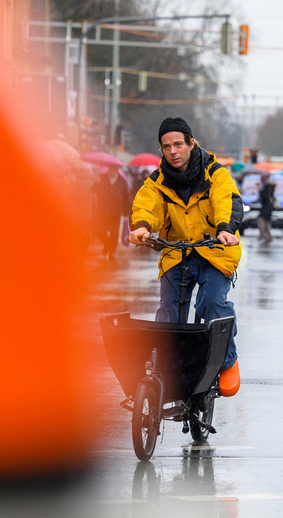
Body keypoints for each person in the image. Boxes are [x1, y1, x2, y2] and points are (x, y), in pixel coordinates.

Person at [126, 116, 243, 396]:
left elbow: (226, 200)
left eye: (178, 144)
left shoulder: (216, 173)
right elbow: (146, 206)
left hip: (215, 249)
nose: (173, 151)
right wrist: (142, 227)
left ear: (191, 143)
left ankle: (227, 361)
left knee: (211, 302)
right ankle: (165, 366)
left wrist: (225, 229)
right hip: (178, 252)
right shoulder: (158, 181)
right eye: (166, 147)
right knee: (169, 309)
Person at [93, 162, 130, 260]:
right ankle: (106, 244)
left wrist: (126, 211)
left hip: (116, 211)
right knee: (101, 231)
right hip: (103, 210)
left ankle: (112, 251)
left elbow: (126, 197)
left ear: (117, 170)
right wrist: (96, 183)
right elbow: (94, 190)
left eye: (114, 169)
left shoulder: (122, 181)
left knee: (114, 233)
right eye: (111, 169)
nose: (112, 171)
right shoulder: (102, 179)